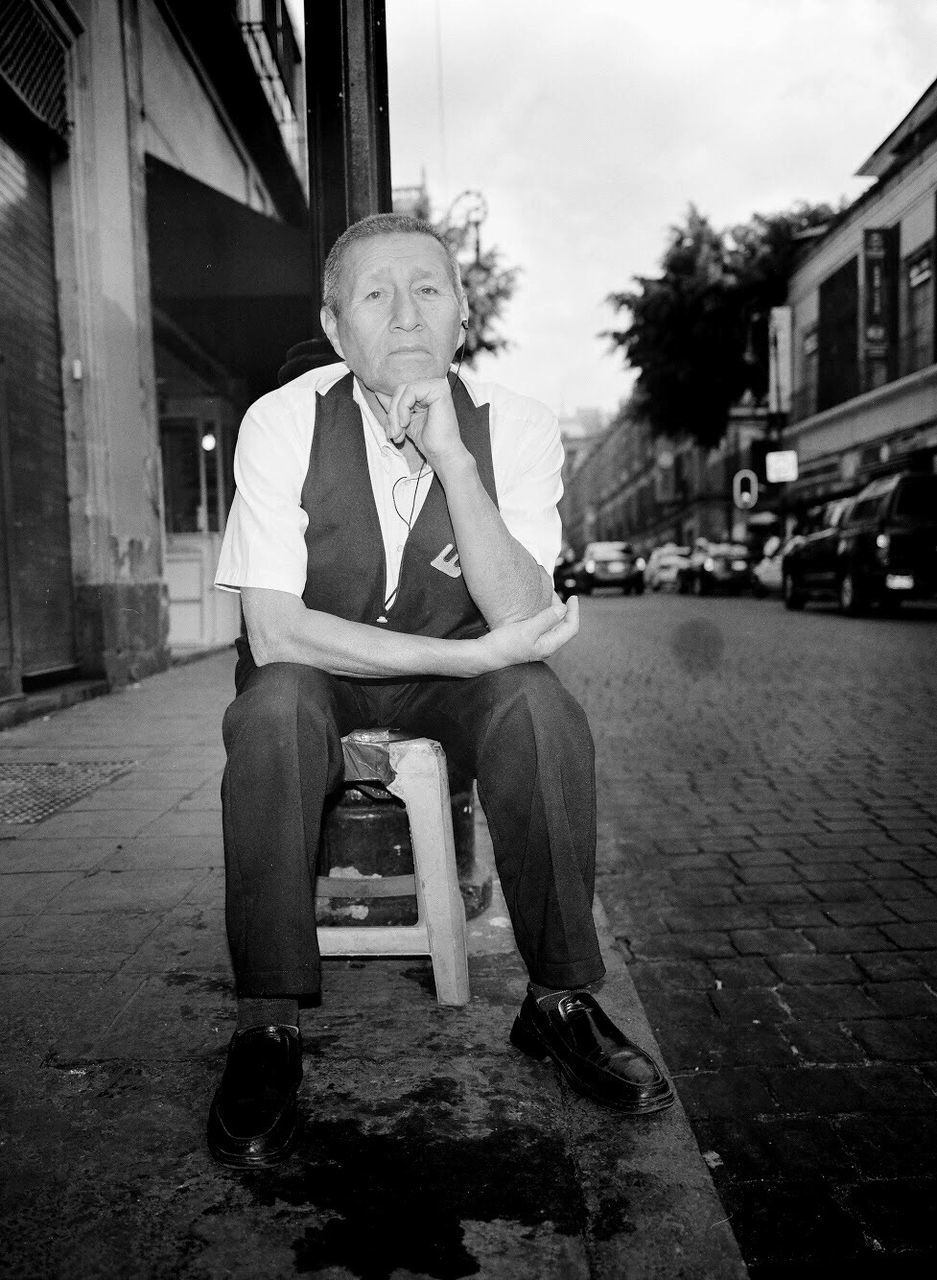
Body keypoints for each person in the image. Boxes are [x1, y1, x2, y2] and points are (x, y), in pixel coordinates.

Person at [208, 212, 673, 1169]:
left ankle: (558, 1003)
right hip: (320, 674)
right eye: (374, 294)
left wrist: (456, 460)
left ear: (463, 314)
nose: (406, 313)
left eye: (428, 289)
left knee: (538, 705)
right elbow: (276, 629)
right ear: (337, 330)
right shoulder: (282, 419)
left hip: (449, 687)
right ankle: (266, 1025)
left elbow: (519, 609)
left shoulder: (521, 425)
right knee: (270, 711)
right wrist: (467, 656)